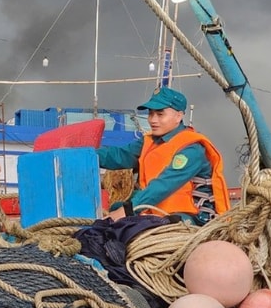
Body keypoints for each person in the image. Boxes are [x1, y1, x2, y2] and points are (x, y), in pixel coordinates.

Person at [97, 86, 230, 225]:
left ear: (178, 116)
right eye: (150, 114)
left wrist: (128, 210)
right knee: (115, 210)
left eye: (160, 115)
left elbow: (164, 185)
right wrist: (85, 155)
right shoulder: (148, 142)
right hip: (155, 212)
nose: (153, 120)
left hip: (191, 218)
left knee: (127, 220)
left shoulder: (192, 149)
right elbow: (119, 156)